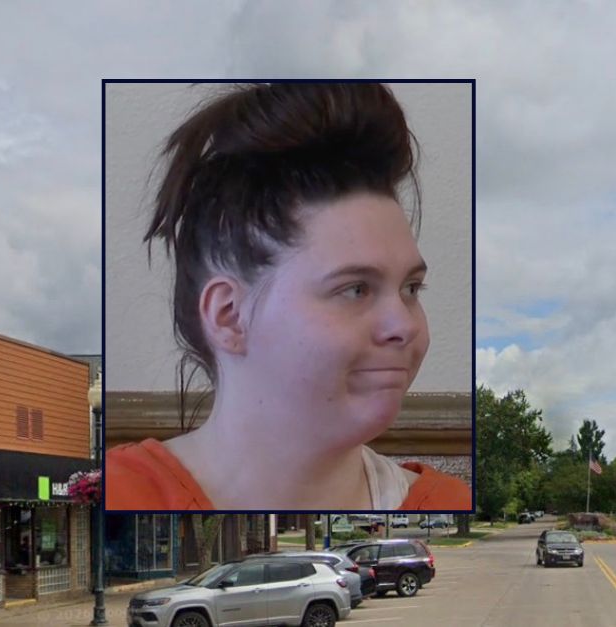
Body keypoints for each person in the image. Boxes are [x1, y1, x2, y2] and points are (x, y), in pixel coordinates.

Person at [106, 82, 470, 510]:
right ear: (228, 316)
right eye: (355, 289)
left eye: (411, 288)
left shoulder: (445, 502)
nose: (405, 325)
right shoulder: (117, 493)